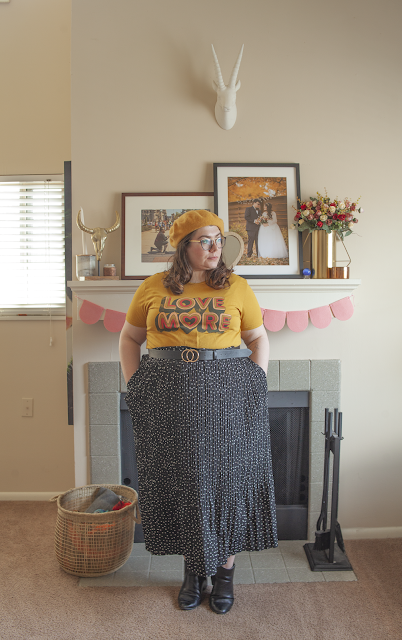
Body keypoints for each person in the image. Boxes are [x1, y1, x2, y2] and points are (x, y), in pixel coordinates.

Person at [119, 209, 278, 615]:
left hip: (226, 395)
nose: (215, 247)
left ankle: (224, 574)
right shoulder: (153, 287)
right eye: (204, 240)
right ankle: (194, 572)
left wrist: (253, 384)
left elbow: (258, 338)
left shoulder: (237, 287)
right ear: (183, 246)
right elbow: (129, 339)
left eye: (219, 240)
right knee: (186, 483)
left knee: (224, 482)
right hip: (167, 396)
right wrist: (135, 384)